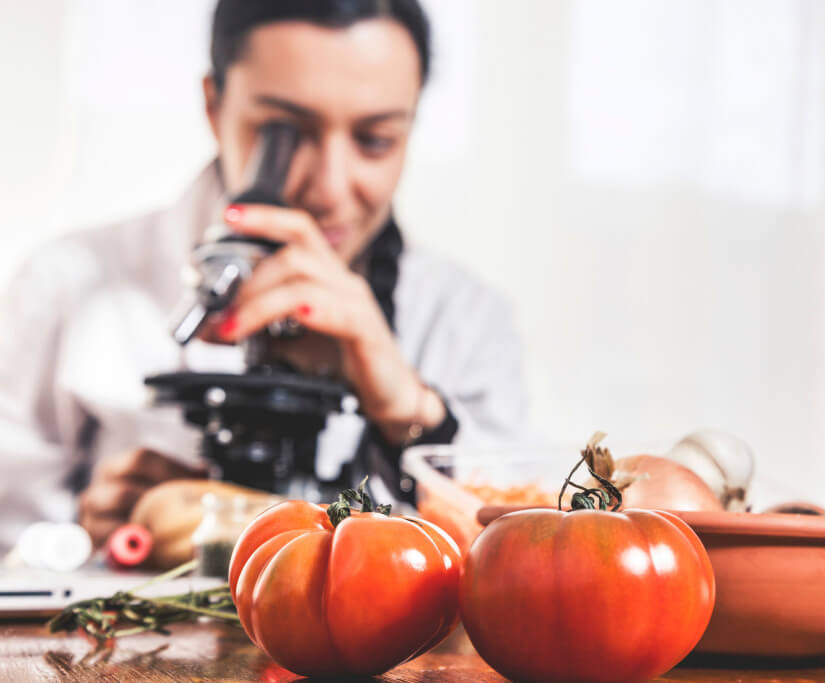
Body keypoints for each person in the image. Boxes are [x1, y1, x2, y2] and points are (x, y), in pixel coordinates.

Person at [0, 0, 526, 551]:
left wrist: (410, 413)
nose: (327, 188)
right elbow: (10, 536)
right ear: (214, 106)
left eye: (375, 139)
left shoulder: (465, 318)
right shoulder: (64, 284)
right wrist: (79, 538)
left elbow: (508, 545)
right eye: (284, 133)